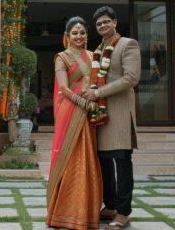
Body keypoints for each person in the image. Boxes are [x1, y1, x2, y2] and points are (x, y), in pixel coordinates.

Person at [82, 6, 140, 230]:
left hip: (120, 114)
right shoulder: (98, 49)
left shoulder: (128, 44)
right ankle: (112, 205)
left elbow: (131, 78)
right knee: (105, 163)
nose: (102, 26)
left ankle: (124, 213)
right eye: (98, 24)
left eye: (106, 22)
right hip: (101, 115)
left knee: (122, 162)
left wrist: (97, 93)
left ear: (115, 22)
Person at [46, 16, 102, 230]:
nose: (79, 36)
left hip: (88, 114)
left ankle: (84, 211)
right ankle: (62, 212)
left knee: (87, 157)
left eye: (82, 32)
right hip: (71, 111)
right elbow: (64, 89)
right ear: (67, 36)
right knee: (70, 156)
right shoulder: (62, 57)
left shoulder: (92, 56)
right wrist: (84, 103)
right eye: (75, 32)